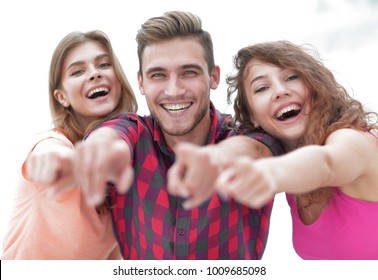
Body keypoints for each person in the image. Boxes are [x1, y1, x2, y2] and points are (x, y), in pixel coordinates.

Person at [70, 11, 284, 260]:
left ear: (213, 76)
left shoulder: (250, 136)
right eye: (158, 75)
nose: (173, 90)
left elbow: (256, 151)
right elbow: (108, 138)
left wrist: (218, 157)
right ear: (141, 82)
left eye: (189, 72)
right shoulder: (132, 132)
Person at [214, 40, 378, 259]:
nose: (280, 91)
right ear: (252, 115)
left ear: (315, 85)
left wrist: (263, 174)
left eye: (291, 77)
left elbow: (327, 164)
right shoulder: (293, 172)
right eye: (262, 88)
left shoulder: (351, 140)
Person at [1, 30, 138, 259]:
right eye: (78, 71)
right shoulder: (51, 142)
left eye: (104, 65)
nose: (94, 74)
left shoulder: (123, 184)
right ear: (61, 97)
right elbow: (48, 158)